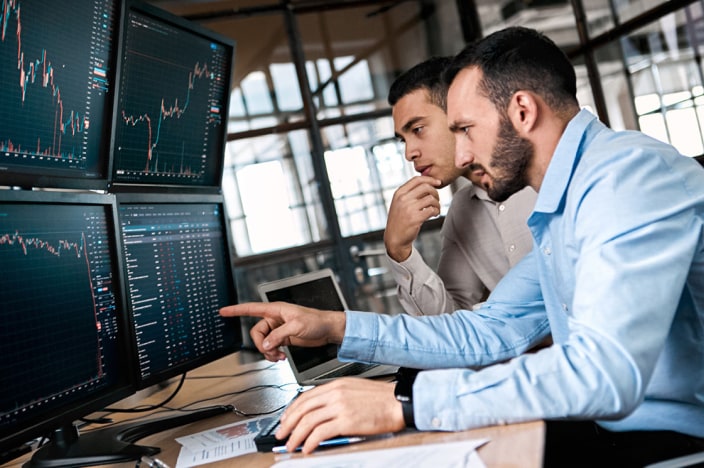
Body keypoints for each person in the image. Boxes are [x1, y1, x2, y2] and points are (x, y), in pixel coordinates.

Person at [221, 26, 704, 466]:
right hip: (618, 431)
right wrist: (334, 326)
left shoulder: (626, 179)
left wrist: (403, 405)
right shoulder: (571, 198)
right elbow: (489, 330)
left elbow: (604, 373)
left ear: (522, 110)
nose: (463, 153)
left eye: (464, 129)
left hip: (675, 444)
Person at [385, 56, 536, 314]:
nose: (409, 152)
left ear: (458, 113)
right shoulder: (462, 211)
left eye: (418, 129)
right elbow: (448, 324)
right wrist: (399, 251)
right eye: (403, 140)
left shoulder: (540, 180)